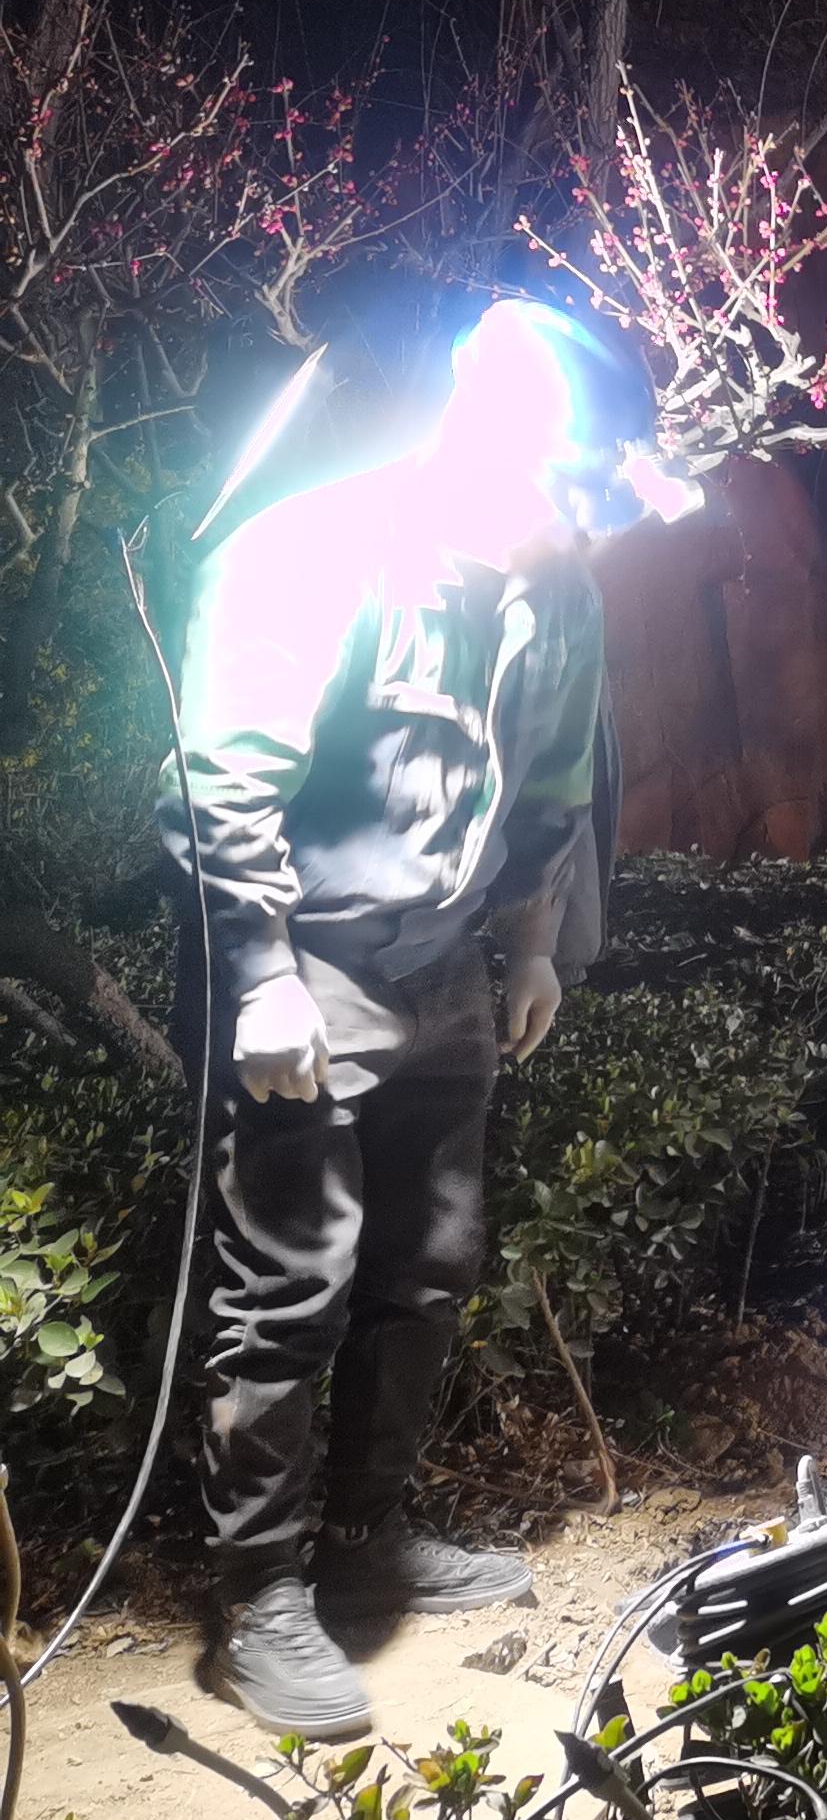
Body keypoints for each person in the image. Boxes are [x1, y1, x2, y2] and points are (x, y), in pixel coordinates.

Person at [159, 299, 681, 1739]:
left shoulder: (559, 596)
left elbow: (555, 789)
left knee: (431, 1263)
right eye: (580, 492)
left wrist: (535, 950)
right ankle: (260, 1595)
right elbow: (222, 782)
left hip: (444, 963)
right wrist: (259, 975)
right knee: (290, 1282)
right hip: (307, 958)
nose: (591, 529)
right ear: (501, 445)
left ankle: (367, 1539)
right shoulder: (316, 551)